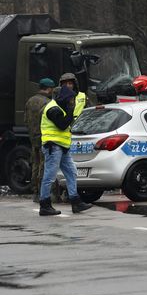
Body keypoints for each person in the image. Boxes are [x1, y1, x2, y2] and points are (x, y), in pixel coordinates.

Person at [38, 85, 93, 216]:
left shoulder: (60, 107)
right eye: (69, 99)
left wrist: (69, 110)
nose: (71, 102)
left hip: (62, 147)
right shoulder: (52, 109)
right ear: (61, 98)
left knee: (72, 172)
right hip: (53, 146)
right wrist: (70, 110)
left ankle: (76, 201)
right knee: (50, 176)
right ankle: (44, 204)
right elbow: (62, 124)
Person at [25, 78, 55, 202]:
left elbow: (25, 120)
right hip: (44, 137)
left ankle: (35, 192)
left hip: (33, 137)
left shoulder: (29, 101)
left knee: (35, 164)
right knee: (44, 165)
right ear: (48, 89)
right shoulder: (48, 103)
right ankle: (43, 191)